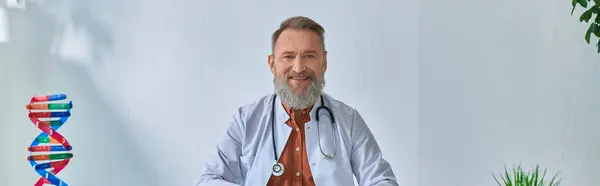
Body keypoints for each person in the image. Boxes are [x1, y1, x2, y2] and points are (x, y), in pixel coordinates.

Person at [196, 16, 398, 186]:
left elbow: (382, 180)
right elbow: (209, 180)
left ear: (324, 63)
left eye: (309, 56)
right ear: (272, 64)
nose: (299, 67)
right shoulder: (246, 119)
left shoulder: (349, 120)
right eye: (288, 56)